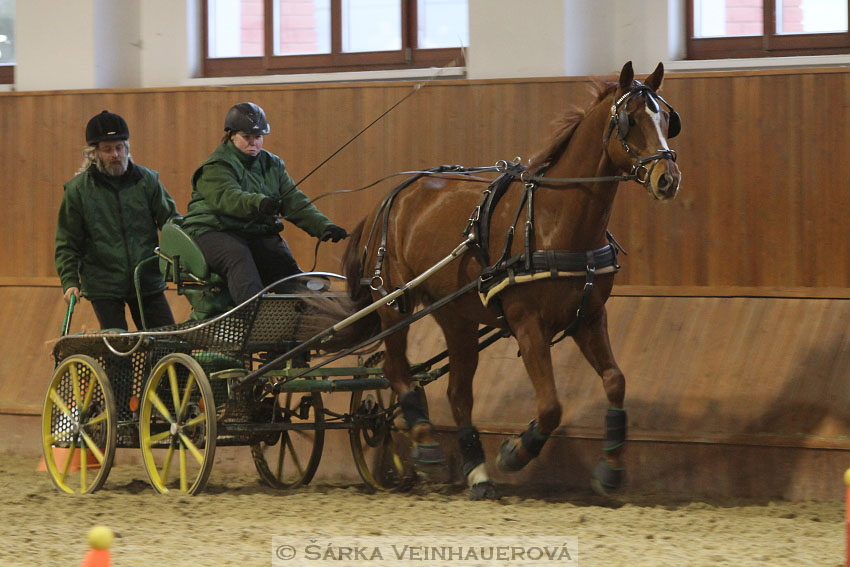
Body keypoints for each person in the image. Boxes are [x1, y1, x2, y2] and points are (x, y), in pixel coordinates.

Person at [181, 102, 347, 305]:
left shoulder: (272, 164)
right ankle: (253, 313)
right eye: (246, 137)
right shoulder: (217, 165)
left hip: (251, 231)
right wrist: (258, 203)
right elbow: (227, 197)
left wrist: (324, 226)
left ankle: (304, 310)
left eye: (258, 137)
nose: (253, 143)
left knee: (280, 260)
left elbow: (294, 201)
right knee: (238, 256)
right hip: (212, 230)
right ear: (231, 135)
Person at [55, 110, 179, 331]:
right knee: (118, 353)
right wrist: (70, 282)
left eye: (119, 148)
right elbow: (67, 242)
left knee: (168, 343)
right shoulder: (77, 191)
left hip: (146, 279)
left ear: (127, 149)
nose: (115, 154)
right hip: (103, 284)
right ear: (94, 154)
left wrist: (182, 261)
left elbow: (172, 223)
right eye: (107, 149)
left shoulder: (147, 181)